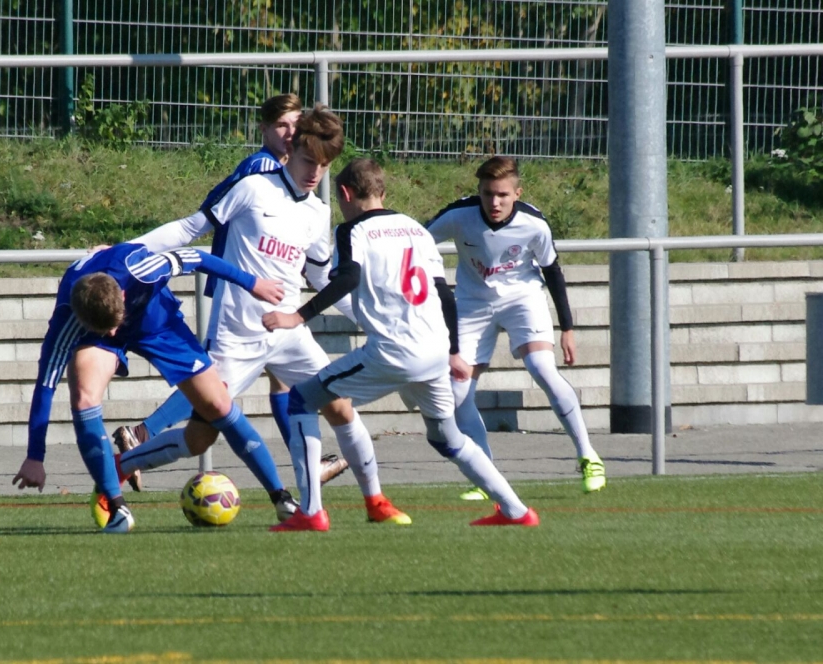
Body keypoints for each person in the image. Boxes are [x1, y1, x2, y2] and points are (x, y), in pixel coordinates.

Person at [119, 106, 409, 526]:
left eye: (324, 167)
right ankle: (121, 465)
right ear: (290, 150)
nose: (315, 173)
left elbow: (320, 275)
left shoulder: (316, 211)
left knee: (340, 408)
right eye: (309, 161)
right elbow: (190, 228)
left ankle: (375, 501)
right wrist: (127, 250)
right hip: (237, 335)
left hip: (289, 333)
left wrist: (371, 317)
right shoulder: (253, 187)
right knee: (200, 437)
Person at [264, 157, 539, 531]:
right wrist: (455, 350)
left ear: (345, 193)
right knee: (446, 437)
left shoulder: (352, 231)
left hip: (393, 351)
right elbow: (444, 295)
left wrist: (297, 316)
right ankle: (516, 510)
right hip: (435, 351)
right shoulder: (415, 229)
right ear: (383, 192)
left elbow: (346, 279)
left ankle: (310, 512)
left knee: (301, 399)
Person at [12, 242, 284, 534]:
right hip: (97, 333)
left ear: (123, 295)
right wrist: (35, 456)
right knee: (83, 398)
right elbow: (45, 385)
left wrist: (252, 283)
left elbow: (196, 257)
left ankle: (282, 499)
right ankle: (118, 510)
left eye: (115, 325)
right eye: (108, 329)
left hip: (153, 318)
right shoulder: (67, 321)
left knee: (216, 406)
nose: (115, 332)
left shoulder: (141, 269)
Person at [425, 156, 606, 497]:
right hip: (472, 304)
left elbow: (552, 270)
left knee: (541, 368)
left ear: (517, 193)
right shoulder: (458, 215)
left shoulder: (533, 223)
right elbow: (416, 241)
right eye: (487, 194)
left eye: (503, 195)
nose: (494, 202)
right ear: (478, 191)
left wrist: (567, 327)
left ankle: (588, 455)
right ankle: (485, 474)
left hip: (523, 299)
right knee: (459, 392)